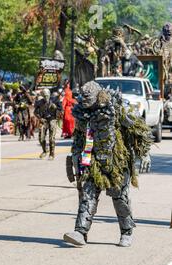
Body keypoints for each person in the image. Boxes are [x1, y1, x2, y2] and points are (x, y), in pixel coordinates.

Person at [64, 81, 152, 247]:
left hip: (118, 160)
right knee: (88, 195)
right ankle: (80, 232)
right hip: (93, 160)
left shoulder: (117, 108)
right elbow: (79, 138)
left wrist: (145, 154)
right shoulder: (82, 113)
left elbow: (139, 131)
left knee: (119, 198)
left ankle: (126, 232)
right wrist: (75, 155)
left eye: (89, 98)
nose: (85, 101)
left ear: (98, 96)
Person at [34, 88, 63, 160]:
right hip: (44, 120)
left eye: (47, 95)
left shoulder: (55, 100)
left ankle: (52, 154)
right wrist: (40, 118)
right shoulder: (39, 102)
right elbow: (35, 112)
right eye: (44, 96)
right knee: (41, 138)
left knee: (51, 138)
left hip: (52, 119)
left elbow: (61, 110)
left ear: (49, 94)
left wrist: (55, 107)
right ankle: (45, 150)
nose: (46, 97)